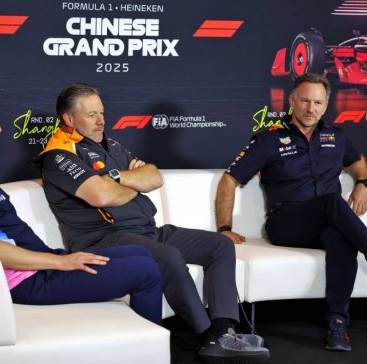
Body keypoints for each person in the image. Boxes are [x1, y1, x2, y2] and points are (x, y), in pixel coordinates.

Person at [35, 83, 270, 363]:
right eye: (91, 115)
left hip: (148, 231)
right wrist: (132, 182)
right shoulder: (58, 155)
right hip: (107, 239)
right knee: (169, 257)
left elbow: (155, 177)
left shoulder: (113, 145)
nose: (101, 121)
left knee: (219, 245)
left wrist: (116, 178)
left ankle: (225, 331)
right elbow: (101, 194)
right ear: (69, 119)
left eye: (102, 113)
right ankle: (208, 337)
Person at [215, 73, 367, 352]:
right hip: (286, 223)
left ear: (325, 106)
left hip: (326, 220)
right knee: (332, 202)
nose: (310, 108)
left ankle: (337, 324)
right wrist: (224, 229)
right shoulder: (269, 139)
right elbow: (229, 179)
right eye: (304, 100)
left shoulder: (336, 137)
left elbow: (357, 160)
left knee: (341, 239)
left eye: (317, 102)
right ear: (291, 101)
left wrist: (363, 182)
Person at [0, 90, 163, 326]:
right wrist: (60, 262)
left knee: (141, 253)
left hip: (41, 265)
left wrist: (56, 258)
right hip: (27, 281)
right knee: (145, 270)